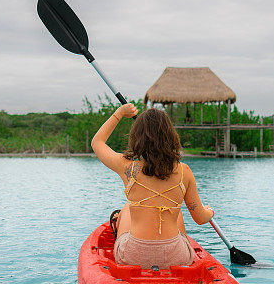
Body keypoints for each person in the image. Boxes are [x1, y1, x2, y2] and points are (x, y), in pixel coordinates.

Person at [91, 103, 215, 269]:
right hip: (177, 257)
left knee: (128, 207)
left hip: (133, 256)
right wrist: (210, 211)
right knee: (176, 212)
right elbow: (200, 218)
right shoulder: (184, 171)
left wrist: (119, 113)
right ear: (171, 136)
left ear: (136, 137)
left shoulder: (128, 168)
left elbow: (97, 142)